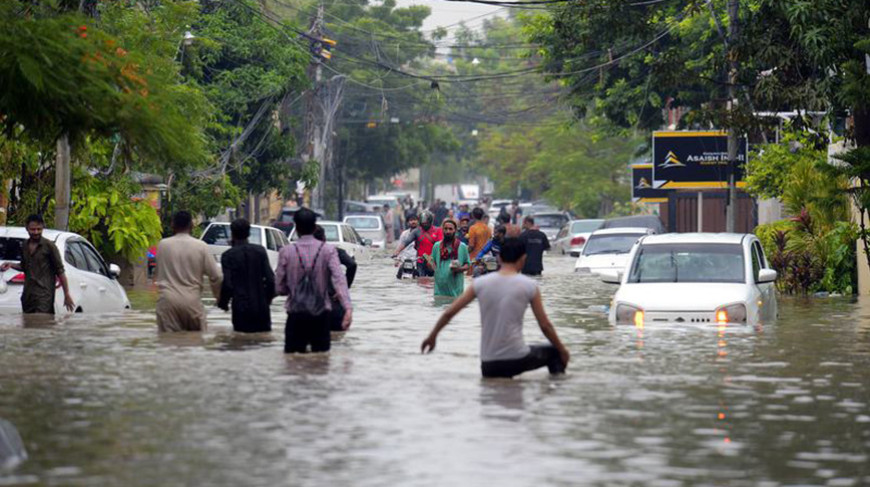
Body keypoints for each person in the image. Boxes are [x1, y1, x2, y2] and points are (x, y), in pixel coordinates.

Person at [421, 237, 570, 379]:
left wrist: (432, 336)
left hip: (488, 363)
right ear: (523, 259)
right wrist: (563, 350)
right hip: (516, 359)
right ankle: (554, 392)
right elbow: (545, 326)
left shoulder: (480, 283)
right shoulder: (529, 285)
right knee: (555, 353)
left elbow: (449, 313)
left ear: (498, 258)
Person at [275, 208, 352, 353]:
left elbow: (279, 288)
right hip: (321, 317)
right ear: (314, 226)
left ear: (296, 227)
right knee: (321, 364)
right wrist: (348, 308)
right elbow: (339, 280)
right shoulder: (328, 251)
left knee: (293, 364)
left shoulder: (286, 252)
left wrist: (292, 289)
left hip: (295, 316)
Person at [155, 211, 222, 332]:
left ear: (172, 225)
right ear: (191, 225)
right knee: (195, 343)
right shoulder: (201, 246)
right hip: (192, 302)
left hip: (167, 302)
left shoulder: (162, 245)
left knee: (168, 344)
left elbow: (157, 274)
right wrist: (219, 299)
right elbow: (216, 276)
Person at [0, 214, 75, 314]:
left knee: (41, 323)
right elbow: (25, 266)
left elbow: (60, 271)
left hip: (44, 296)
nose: (36, 232)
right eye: (33, 229)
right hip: (27, 296)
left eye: (39, 229)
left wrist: (67, 294)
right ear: (27, 228)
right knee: (29, 325)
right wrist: (11, 265)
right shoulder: (24, 245)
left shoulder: (49, 246)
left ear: (42, 227)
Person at [217, 218, 275, 333]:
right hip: (261, 309)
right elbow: (271, 281)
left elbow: (228, 285)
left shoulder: (228, 256)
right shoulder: (260, 251)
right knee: (263, 343)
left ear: (232, 234)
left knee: (240, 344)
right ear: (248, 234)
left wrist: (223, 303)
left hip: (240, 309)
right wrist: (266, 300)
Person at [313, 225, 357, 331]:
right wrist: (345, 287)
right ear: (324, 237)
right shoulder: (334, 251)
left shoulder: (301, 253)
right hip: (334, 302)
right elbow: (352, 264)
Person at [391, 211, 443, 278]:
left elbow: (441, 245)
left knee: (435, 279)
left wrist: (433, 257)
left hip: (434, 262)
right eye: (423, 223)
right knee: (420, 279)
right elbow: (406, 242)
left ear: (430, 221)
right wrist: (397, 252)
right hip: (420, 261)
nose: (425, 225)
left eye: (426, 223)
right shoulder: (416, 231)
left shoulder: (438, 231)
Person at [428, 219, 471, 297]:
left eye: (450, 229)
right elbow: (432, 265)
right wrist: (428, 263)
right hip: (439, 291)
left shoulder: (462, 246)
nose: (448, 231)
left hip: (456, 291)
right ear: (442, 230)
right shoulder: (436, 246)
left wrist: (459, 269)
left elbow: (468, 265)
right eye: (446, 229)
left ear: (455, 230)